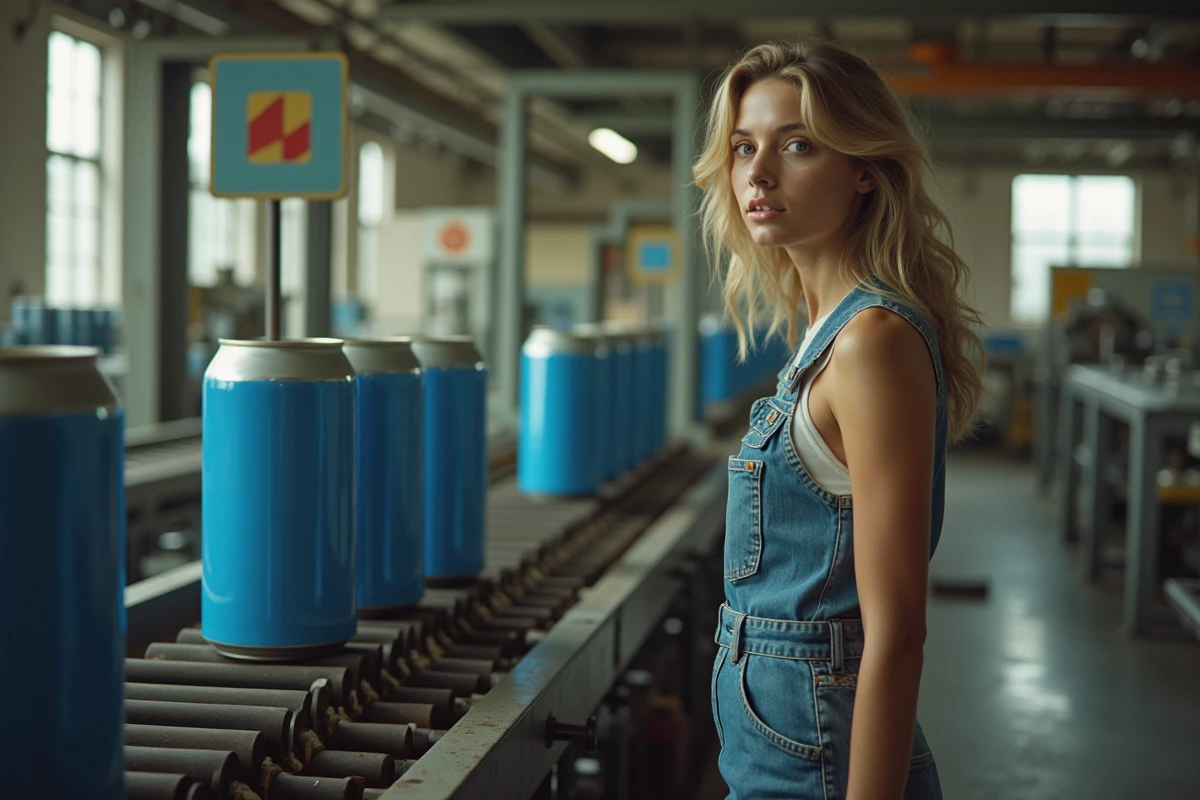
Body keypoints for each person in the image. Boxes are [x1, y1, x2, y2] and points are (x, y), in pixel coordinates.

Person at [693, 41, 985, 800]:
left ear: (865, 170)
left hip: (820, 759)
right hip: (781, 746)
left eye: (796, 146)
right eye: (743, 147)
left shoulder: (870, 342)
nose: (758, 174)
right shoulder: (825, 332)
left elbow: (898, 631)